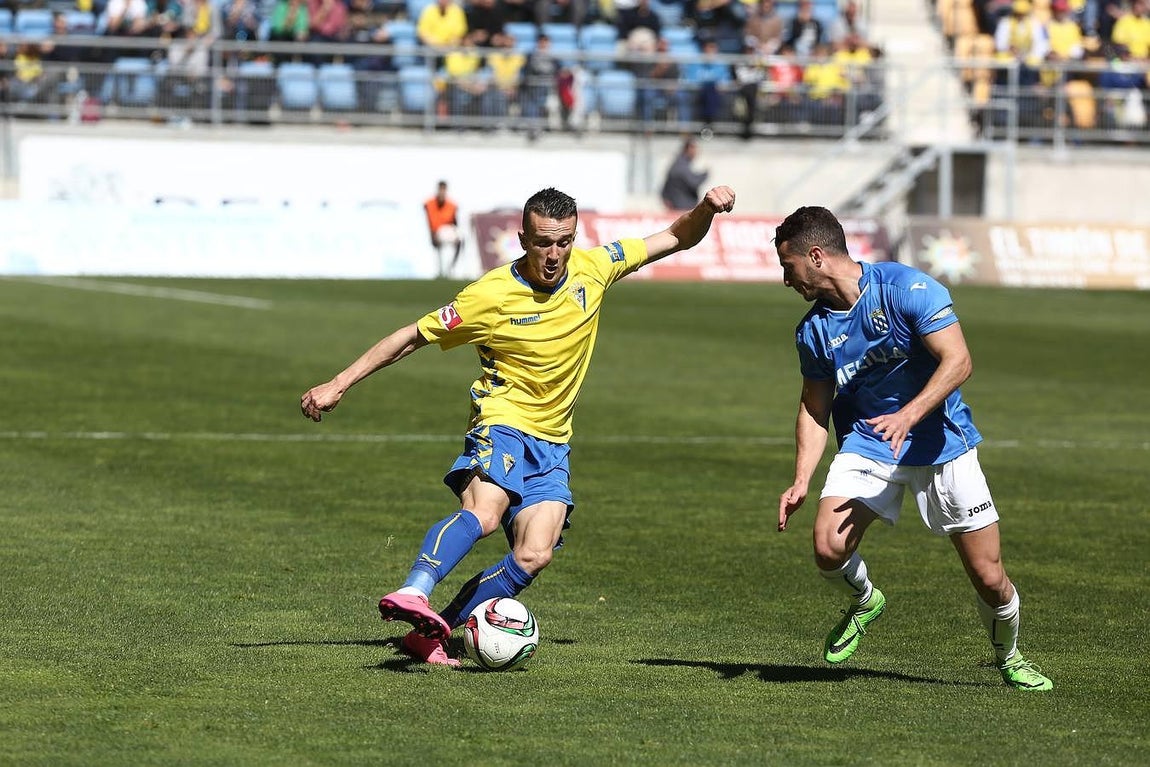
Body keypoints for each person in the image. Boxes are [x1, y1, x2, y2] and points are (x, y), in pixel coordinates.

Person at [301, 184, 738, 666]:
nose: (554, 254)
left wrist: (705, 210)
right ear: (522, 238)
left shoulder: (595, 267)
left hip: (554, 443)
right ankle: (414, 590)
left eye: (564, 241)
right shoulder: (490, 295)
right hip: (503, 421)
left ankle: (435, 633)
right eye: (543, 242)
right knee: (486, 512)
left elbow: (676, 237)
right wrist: (339, 383)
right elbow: (411, 337)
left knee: (535, 552)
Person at [773, 206, 1053, 692]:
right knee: (827, 547)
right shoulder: (813, 330)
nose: (785, 279)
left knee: (989, 577)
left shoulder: (906, 288)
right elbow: (815, 407)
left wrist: (909, 413)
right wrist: (801, 479)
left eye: (788, 265)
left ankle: (1009, 656)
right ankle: (865, 600)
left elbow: (958, 360)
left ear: (815, 256)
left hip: (943, 441)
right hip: (869, 442)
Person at [423, 180, 462, 277]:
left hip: (448, 230)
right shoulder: (429, 203)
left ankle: (451, 268)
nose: (442, 192)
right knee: (439, 247)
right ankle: (440, 271)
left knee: (459, 241)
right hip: (437, 231)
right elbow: (430, 220)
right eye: (440, 189)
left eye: (444, 189)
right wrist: (432, 235)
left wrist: (456, 232)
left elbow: (455, 222)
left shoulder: (452, 205)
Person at [660, 137, 709, 210]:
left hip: (680, 206)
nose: (696, 152)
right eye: (694, 149)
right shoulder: (681, 164)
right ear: (688, 149)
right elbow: (694, 182)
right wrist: (705, 174)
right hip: (682, 208)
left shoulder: (679, 163)